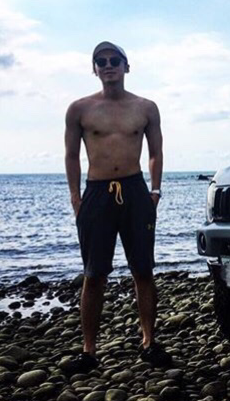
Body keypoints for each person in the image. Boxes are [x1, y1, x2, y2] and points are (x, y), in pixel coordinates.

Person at [63, 41, 171, 373]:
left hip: (135, 191)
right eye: (101, 61)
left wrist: (155, 191)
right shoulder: (79, 109)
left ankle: (149, 342)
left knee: (143, 270)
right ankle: (89, 351)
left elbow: (155, 152)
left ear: (126, 66)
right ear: (94, 69)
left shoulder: (146, 107)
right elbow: (71, 155)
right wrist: (76, 198)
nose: (108, 65)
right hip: (96, 193)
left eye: (114, 60)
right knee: (94, 274)